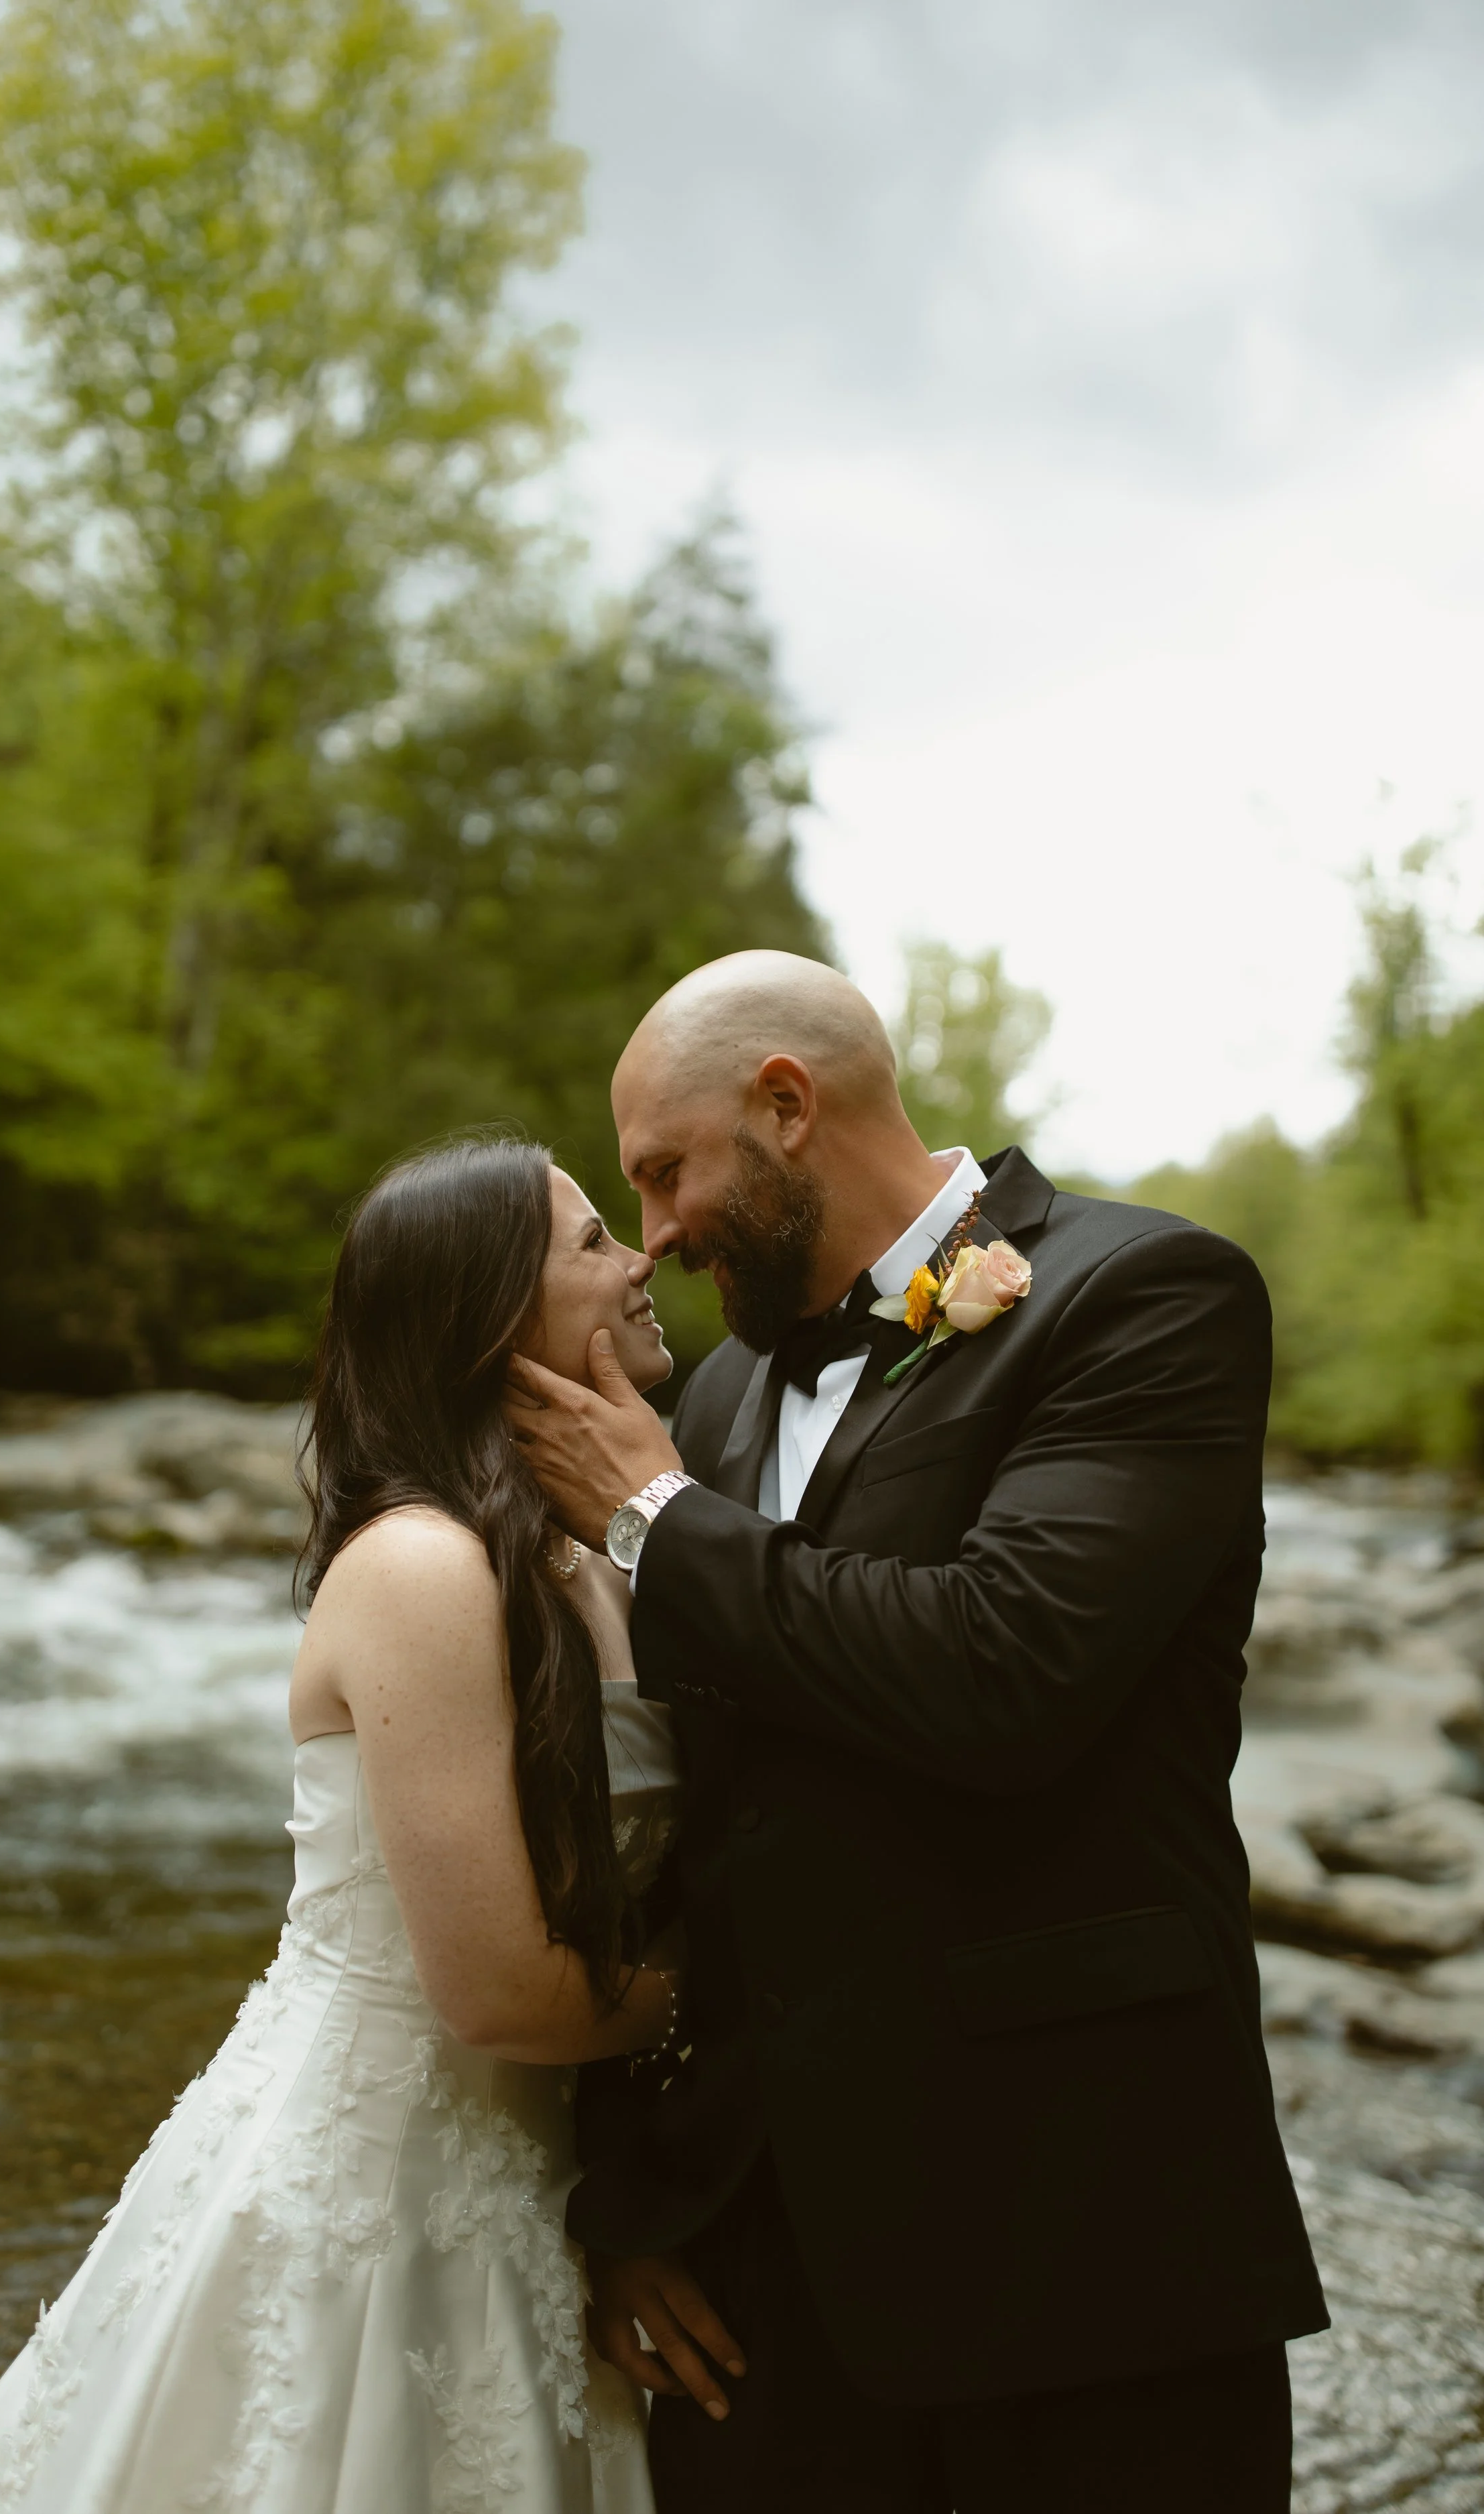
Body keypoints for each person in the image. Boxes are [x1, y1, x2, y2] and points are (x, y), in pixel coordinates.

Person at [506, 951, 1328, 2514]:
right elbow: (673, 1815)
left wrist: (653, 1520)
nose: (659, 1236)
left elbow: (1001, 1674)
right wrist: (631, 2189)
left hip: (1084, 2234)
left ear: (786, 1107)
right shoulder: (716, 1398)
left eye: (665, 1173)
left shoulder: (1145, 1295)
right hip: (757, 2264)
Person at [0, 1137, 680, 2514]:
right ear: (489, 1314)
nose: (638, 1259)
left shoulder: (593, 1545)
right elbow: (498, 1995)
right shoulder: (422, 1568)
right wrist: (742, 2013)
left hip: (532, 2174)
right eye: (587, 1243)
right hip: (381, 2181)